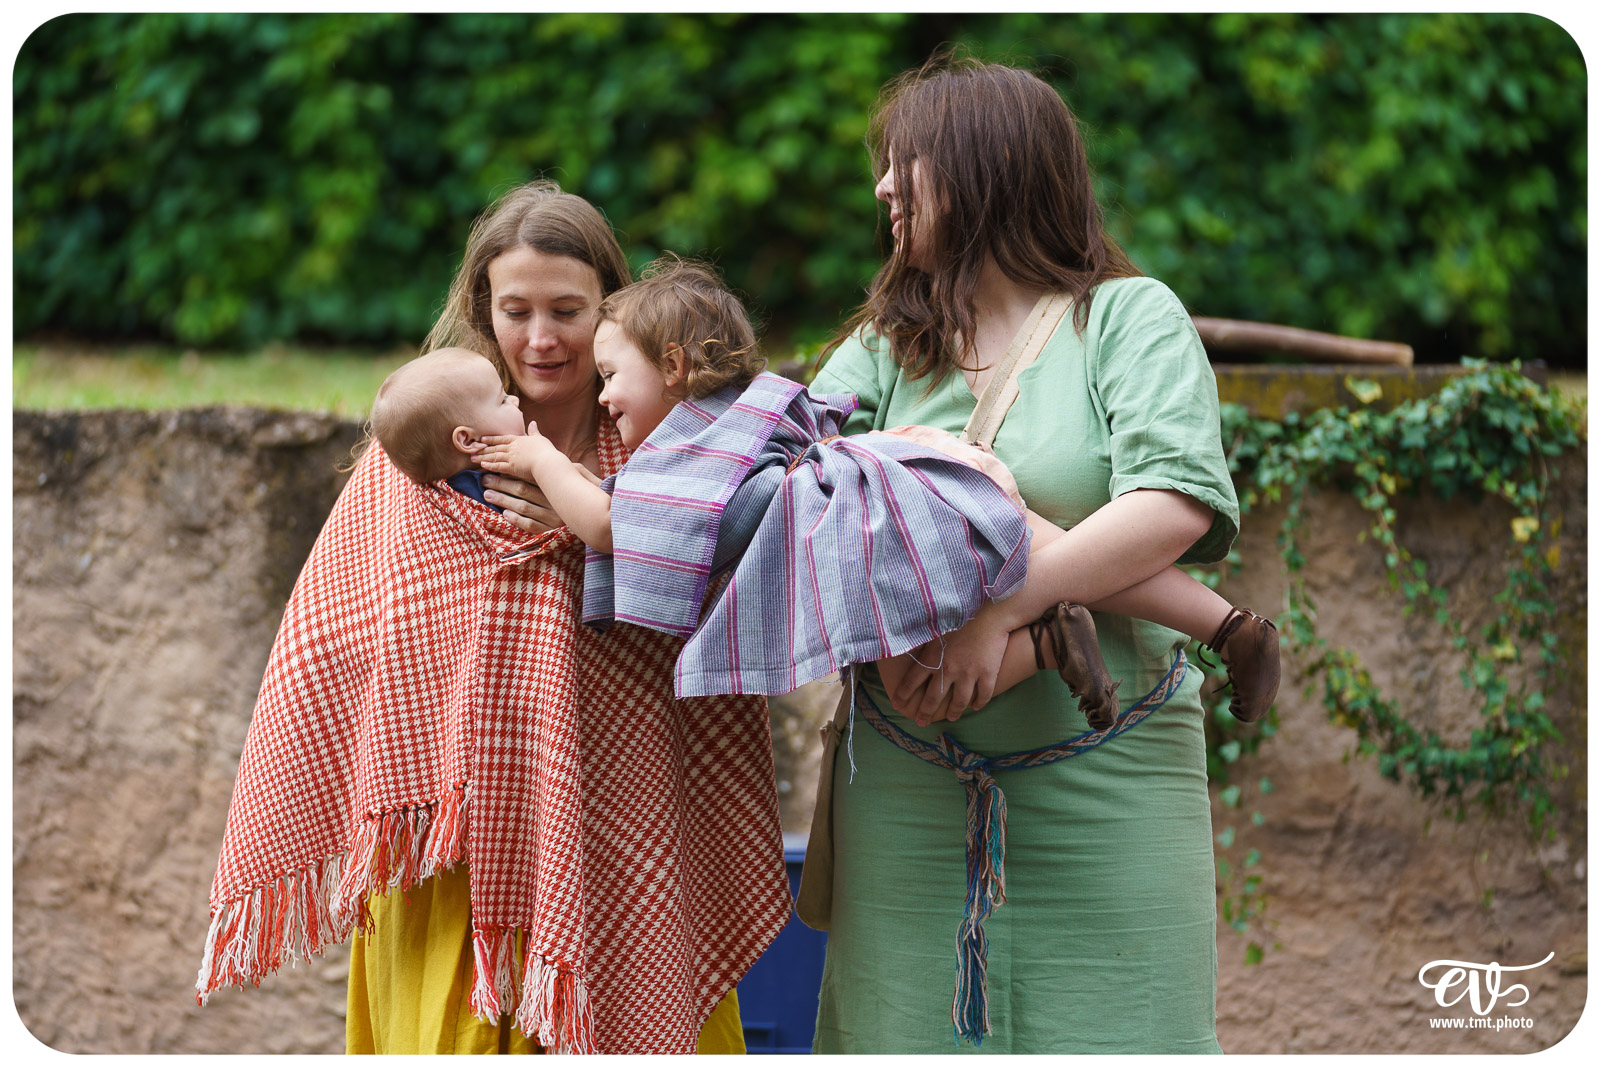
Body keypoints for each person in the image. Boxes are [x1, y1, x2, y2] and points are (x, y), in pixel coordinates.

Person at [196, 181, 791, 1054]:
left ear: (611, 309)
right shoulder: (409, 469)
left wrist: (600, 530)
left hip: (627, 852)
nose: (542, 339)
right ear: (483, 308)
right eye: (516, 310)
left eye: (568, 310)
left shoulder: (671, 451)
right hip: (454, 883)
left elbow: (727, 611)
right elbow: (333, 646)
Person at [803, 56, 1259, 1053]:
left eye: (904, 164)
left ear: (980, 169)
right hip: (906, 794)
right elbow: (798, 475)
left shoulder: (1128, 318)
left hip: (1109, 788)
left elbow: (1171, 501)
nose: (882, 188)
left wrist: (999, 608)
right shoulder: (889, 343)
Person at [477, 256, 1276, 728]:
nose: (608, 395)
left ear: (677, 368)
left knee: (920, 687)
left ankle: (1047, 644)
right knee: (1043, 541)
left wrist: (539, 458)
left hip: (858, 527)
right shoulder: (738, 408)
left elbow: (612, 524)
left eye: (615, 375)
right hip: (896, 479)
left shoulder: (685, 445)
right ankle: (1225, 621)